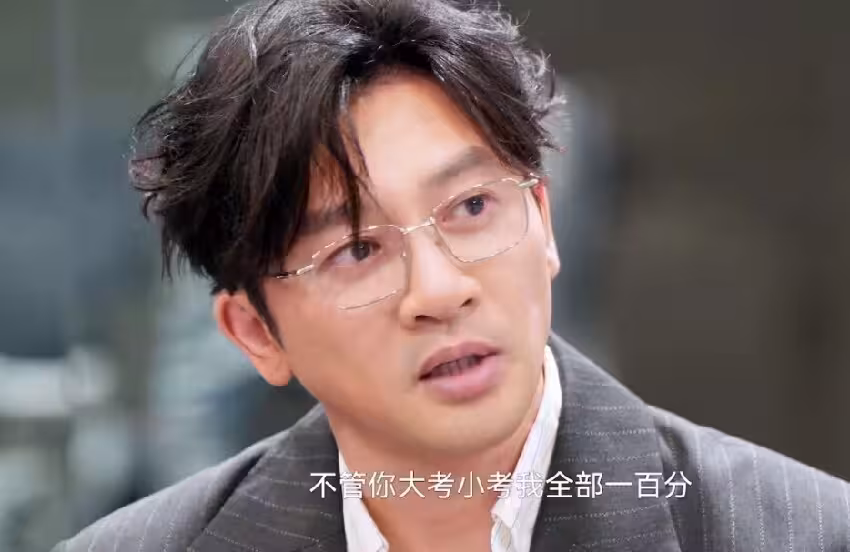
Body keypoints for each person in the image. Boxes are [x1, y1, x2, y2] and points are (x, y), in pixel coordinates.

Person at [54, 0, 850, 550]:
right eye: (356, 251)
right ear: (256, 332)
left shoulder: (803, 532)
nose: (439, 291)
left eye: (472, 207)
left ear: (542, 219)